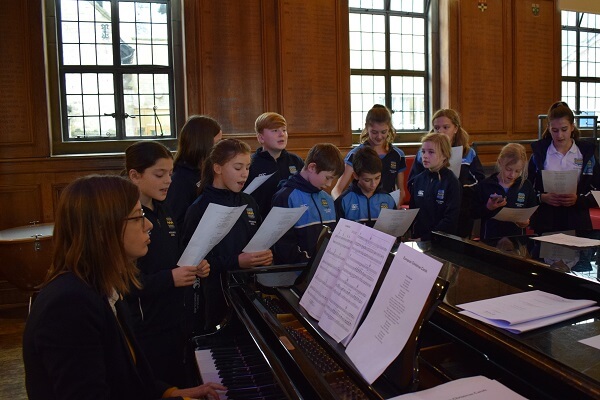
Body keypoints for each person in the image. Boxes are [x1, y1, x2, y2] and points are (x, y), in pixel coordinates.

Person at [23, 175, 225, 400]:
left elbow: (128, 379)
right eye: (138, 217)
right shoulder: (69, 303)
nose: (148, 224)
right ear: (103, 229)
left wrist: (174, 392)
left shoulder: (104, 286)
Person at [124, 141, 210, 387]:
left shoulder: (163, 209)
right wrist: (170, 278)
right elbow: (125, 284)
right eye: (159, 174)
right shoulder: (127, 222)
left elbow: (174, 254)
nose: (168, 181)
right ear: (134, 175)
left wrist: (196, 265)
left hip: (176, 319)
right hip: (148, 328)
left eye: (170, 174)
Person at [181, 139, 273, 331]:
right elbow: (193, 265)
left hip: (249, 291)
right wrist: (236, 261)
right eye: (238, 167)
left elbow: (258, 239)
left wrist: (265, 254)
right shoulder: (200, 207)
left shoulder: (248, 202)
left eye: (247, 167)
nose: (245, 174)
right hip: (214, 299)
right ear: (218, 168)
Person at [408, 109, 485, 237]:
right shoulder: (424, 153)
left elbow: (479, 182)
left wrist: (455, 187)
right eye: (437, 127)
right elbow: (413, 182)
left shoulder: (468, 152)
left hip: (460, 209)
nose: (441, 131)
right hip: (429, 209)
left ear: (455, 128)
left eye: (445, 127)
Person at [527, 101, 600, 234]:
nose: (559, 135)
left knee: (577, 253)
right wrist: (542, 197)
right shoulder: (540, 153)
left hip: (577, 220)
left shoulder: (586, 153)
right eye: (555, 130)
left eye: (564, 129)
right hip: (546, 220)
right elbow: (526, 187)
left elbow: (598, 189)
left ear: (572, 127)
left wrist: (579, 199)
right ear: (548, 127)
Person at [272, 143, 345, 264]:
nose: (329, 184)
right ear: (312, 167)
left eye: (333, 179)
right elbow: (283, 245)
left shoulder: (327, 199)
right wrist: (310, 265)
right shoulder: (285, 197)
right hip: (297, 273)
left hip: (325, 269)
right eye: (328, 178)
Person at [332, 104, 406, 205]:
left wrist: (394, 211)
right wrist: (344, 209)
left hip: (386, 206)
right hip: (360, 207)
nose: (379, 137)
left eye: (383, 132)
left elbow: (401, 192)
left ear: (389, 128)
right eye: (374, 132)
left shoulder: (398, 155)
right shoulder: (355, 154)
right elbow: (336, 190)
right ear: (367, 128)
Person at [165, 115, 223, 230]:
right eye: (217, 143)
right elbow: (177, 223)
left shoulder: (204, 170)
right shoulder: (180, 179)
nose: (219, 150)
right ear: (204, 143)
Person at [244, 112, 304, 219]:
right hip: (261, 223)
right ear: (261, 138)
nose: (282, 134)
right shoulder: (250, 163)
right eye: (275, 130)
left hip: (292, 223)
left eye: (284, 130)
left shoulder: (296, 161)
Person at [472, 143, 538, 239]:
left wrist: (526, 222)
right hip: (490, 238)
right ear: (500, 162)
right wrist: (488, 207)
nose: (512, 175)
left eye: (517, 171)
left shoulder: (525, 185)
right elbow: (473, 213)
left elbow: (533, 212)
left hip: (516, 239)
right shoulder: (485, 185)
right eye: (508, 169)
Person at [409, 132, 461, 241]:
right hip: (418, 238)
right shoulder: (418, 180)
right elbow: (413, 212)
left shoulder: (451, 182)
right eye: (423, 152)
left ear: (444, 155)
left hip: (441, 242)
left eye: (431, 152)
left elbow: (450, 220)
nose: (425, 156)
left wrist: (427, 238)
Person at [334, 146, 396, 227]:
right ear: (356, 176)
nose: (373, 184)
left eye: (377, 178)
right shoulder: (344, 200)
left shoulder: (388, 199)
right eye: (367, 180)